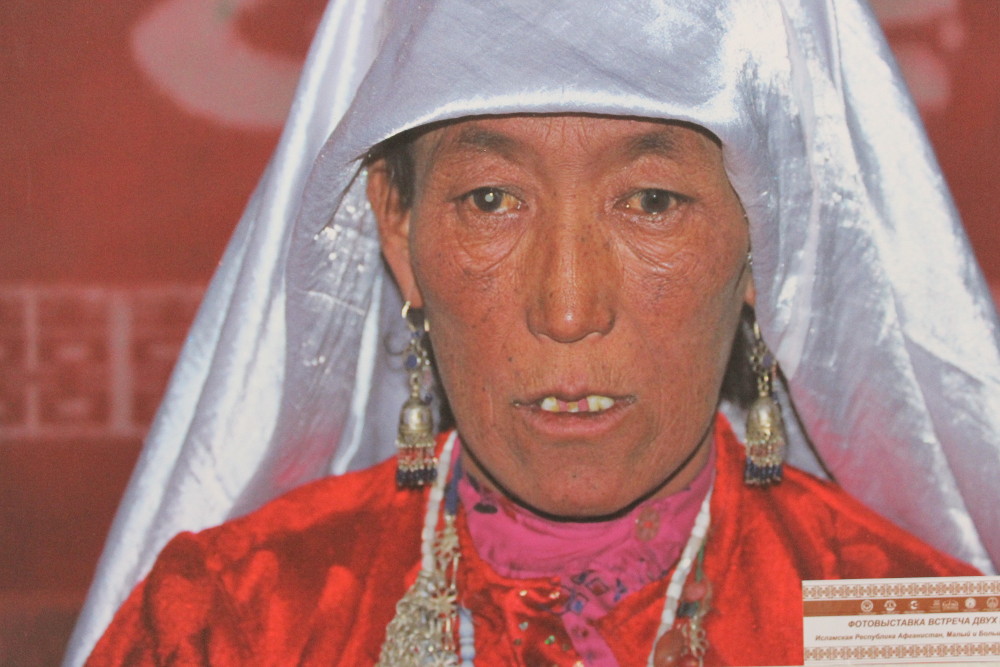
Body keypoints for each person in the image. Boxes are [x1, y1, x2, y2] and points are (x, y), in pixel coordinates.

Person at [68, 0, 1000, 665]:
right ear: (398, 228)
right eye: (491, 200)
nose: (567, 307)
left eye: (652, 201)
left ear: (767, 236)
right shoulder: (234, 625)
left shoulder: (905, 634)